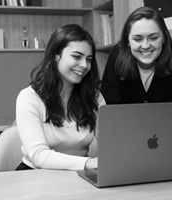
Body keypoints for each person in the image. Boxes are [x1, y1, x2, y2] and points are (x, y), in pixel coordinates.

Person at [100, 7, 172, 165]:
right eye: (137, 39)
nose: (145, 45)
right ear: (128, 41)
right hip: (127, 152)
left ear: (164, 37)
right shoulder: (117, 56)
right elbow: (110, 115)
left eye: (153, 37)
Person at [15, 24, 105, 171]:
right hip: (35, 174)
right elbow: (39, 156)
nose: (84, 65)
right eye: (76, 57)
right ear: (56, 56)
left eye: (89, 59)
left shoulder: (94, 96)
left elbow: (108, 142)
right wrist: (88, 163)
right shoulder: (29, 98)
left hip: (79, 174)